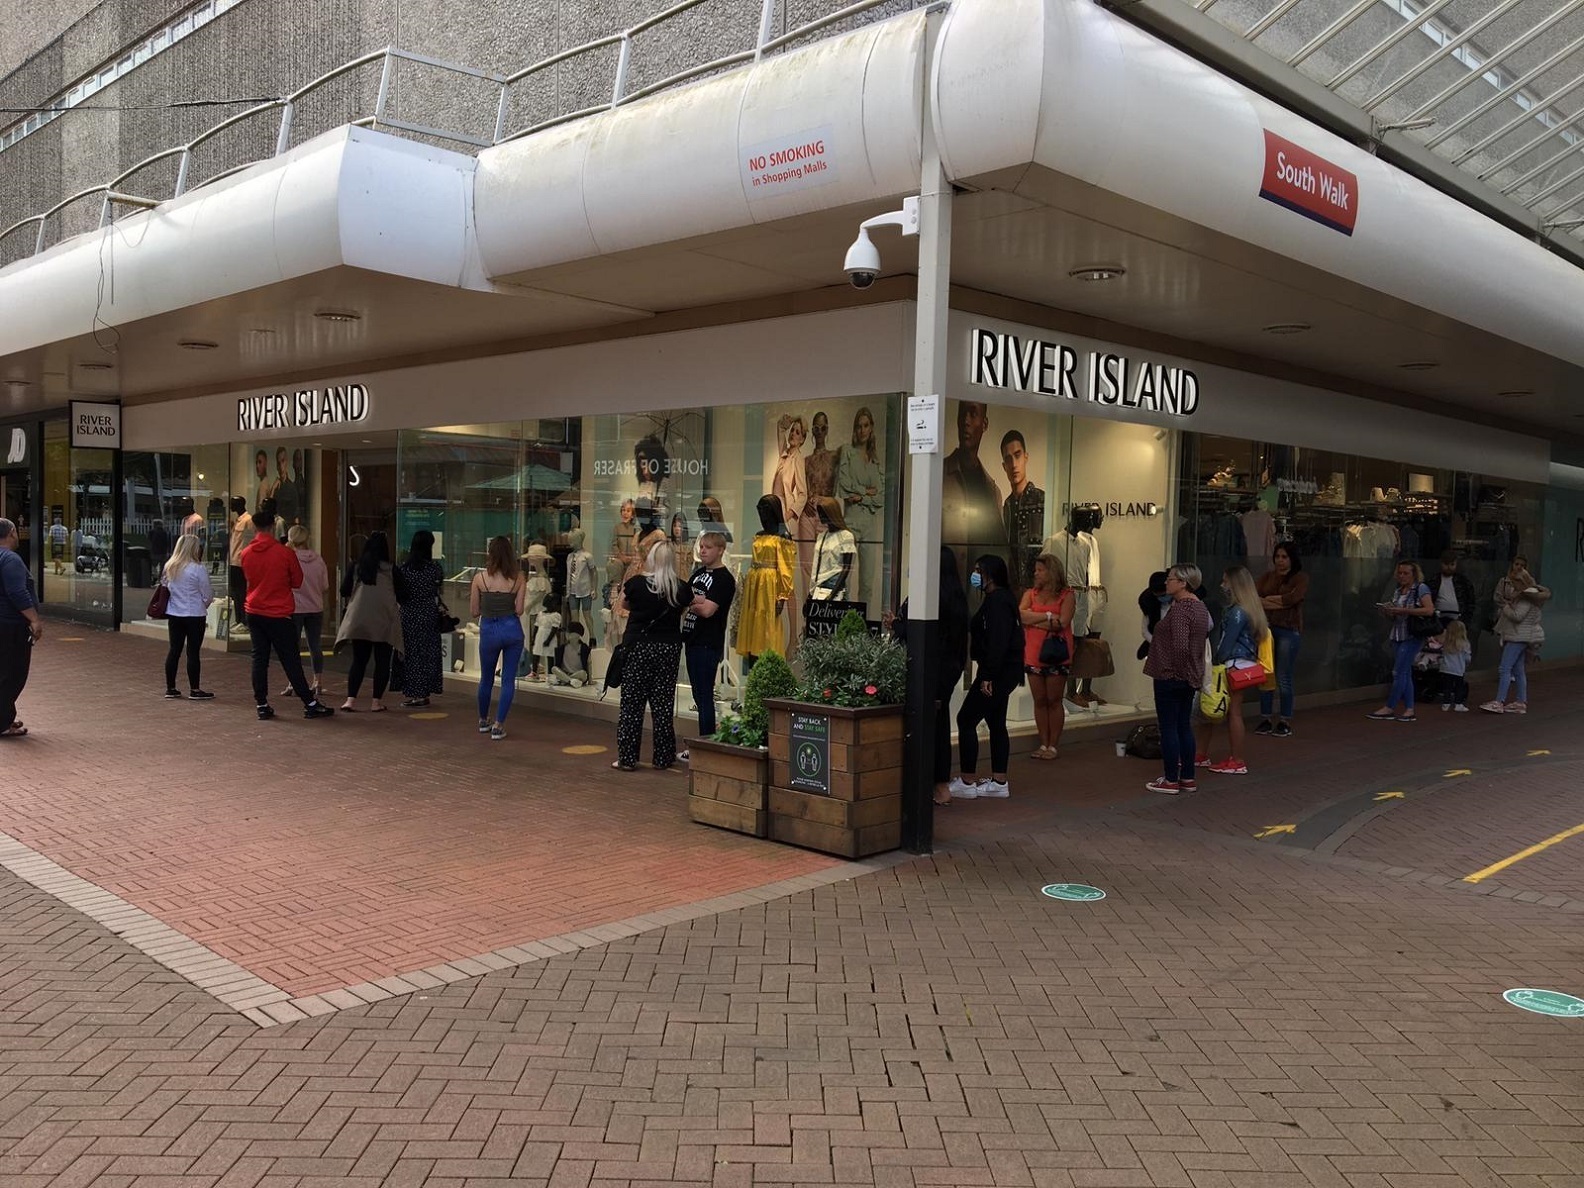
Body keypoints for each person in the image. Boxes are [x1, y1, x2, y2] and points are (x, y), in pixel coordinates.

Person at [886, 545, 969, 807]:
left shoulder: (929, 597)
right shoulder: (955, 597)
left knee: (924, 725)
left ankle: (925, 783)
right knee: (940, 724)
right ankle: (939, 784)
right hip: (947, 670)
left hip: (926, 670)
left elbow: (918, 635)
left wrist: (897, 625)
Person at [239, 511, 335, 721]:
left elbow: (248, 578)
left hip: (254, 609)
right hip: (279, 611)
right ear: (273, 527)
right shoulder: (284, 554)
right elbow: (297, 581)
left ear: (254, 528)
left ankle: (262, 703)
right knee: (290, 659)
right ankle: (309, 702)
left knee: (259, 658)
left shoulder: (246, 553)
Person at [612, 538, 689, 772]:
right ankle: (663, 757)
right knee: (663, 703)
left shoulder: (636, 584)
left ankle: (627, 757)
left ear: (652, 559)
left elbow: (623, 605)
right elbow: (684, 609)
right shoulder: (680, 587)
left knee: (632, 704)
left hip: (639, 647)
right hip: (668, 648)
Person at [948, 554, 1020, 800]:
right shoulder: (1000, 599)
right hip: (1003, 671)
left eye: (979, 570)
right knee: (996, 722)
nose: (975, 574)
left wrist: (987, 675)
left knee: (966, 718)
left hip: (996, 672)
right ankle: (999, 781)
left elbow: (998, 641)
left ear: (991, 573)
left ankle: (968, 780)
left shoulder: (998, 602)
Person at [1143, 564, 1212, 795]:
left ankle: (1171, 778)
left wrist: (1176, 672)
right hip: (1189, 676)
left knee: (1169, 727)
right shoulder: (1200, 608)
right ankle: (1188, 777)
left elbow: (1181, 646)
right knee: (1183, 726)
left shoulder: (1182, 609)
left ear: (1183, 582)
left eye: (1171, 579)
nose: (1166, 582)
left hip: (1171, 675)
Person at [1198, 565, 1269, 774]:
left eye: (1225, 581)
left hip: (1233, 664)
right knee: (1229, 711)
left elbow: (1227, 642)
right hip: (1245, 663)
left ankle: (1236, 760)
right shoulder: (1251, 610)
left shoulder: (1237, 612)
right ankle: (1216, 755)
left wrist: (1216, 660)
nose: (1222, 585)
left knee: (1226, 710)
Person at [334, 531, 406, 713]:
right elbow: (404, 594)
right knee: (382, 662)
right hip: (384, 619)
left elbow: (344, 590)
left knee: (359, 660)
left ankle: (350, 700)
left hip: (360, 620)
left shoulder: (357, 567)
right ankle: (376, 702)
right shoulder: (391, 569)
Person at [680, 529, 735, 756]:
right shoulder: (697, 573)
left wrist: (694, 602)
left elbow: (708, 611)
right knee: (697, 695)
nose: (702, 551)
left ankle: (705, 747)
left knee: (704, 696)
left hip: (707, 642)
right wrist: (696, 601)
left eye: (708, 547)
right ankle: (705, 742)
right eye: (701, 546)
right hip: (691, 639)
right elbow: (683, 598)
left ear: (720, 550)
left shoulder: (724, 579)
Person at [1019, 552, 1074, 760]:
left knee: (1054, 699)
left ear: (1051, 572)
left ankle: (1053, 745)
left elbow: (1063, 622)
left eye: (1040, 570)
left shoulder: (1066, 595)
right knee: (1039, 699)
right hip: (1033, 653)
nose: (1036, 574)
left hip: (1056, 652)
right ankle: (1043, 743)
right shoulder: (1030, 594)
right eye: (1036, 570)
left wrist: (1034, 620)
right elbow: (1021, 615)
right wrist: (1048, 617)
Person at [471, 535, 527, 739]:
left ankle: (483, 720)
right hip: (512, 629)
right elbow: (519, 610)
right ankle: (499, 724)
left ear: (490, 554)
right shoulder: (519, 578)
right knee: (508, 679)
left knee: (486, 678)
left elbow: (474, 611)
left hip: (489, 630)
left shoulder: (480, 578)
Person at [1252, 542, 1308, 739]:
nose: (1280, 561)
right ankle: (1266, 717)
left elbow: (1294, 599)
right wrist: (1280, 601)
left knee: (1284, 676)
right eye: (1278, 556)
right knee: (1266, 674)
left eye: (1284, 557)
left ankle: (1284, 719)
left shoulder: (1300, 578)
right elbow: (1255, 598)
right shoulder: (1267, 577)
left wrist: (1270, 601)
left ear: (1292, 559)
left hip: (1288, 630)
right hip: (1267, 630)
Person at [1369, 560, 1436, 722]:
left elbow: (1429, 610)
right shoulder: (1398, 591)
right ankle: (1409, 709)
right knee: (1404, 672)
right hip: (1398, 634)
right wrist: (1388, 611)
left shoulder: (1420, 589)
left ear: (1414, 574)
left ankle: (1390, 707)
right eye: (1400, 573)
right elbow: (1395, 616)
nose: (1402, 576)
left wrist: (1404, 610)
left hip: (1412, 635)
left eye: (1406, 573)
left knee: (1398, 672)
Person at [1482, 555, 1549, 715]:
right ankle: (1520, 701)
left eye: (1515, 582)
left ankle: (1499, 701)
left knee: (1505, 668)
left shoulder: (1526, 598)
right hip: (1522, 636)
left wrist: (1506, 607)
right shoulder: (1532, 597)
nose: (1512, 584)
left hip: (1517, 636)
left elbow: (1517, 616)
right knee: (1518, 670)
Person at [734, 495, 797, 665]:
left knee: (768, 623)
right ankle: (754, 659)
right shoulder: (759, 534)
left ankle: (767, 662)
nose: (762, 514)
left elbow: (786, 569)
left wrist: (782, 597)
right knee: (754, 621)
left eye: (765, 510)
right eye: (759, 510)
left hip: (769, 585)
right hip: (754, 583)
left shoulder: (783, 536)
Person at [0, 517, 42, 738]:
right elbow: (17, 592)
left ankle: (6, 715)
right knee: (13, 673)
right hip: (10, 626)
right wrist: (34, 619)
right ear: (12, 533)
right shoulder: (11, 559)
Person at [836, 407, 883, 600]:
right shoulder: (848, 451)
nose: (862, 430)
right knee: (844, 577)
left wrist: (860, 496)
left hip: (870, 525)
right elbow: (844, 487)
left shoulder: (875, 461)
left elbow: (880, 497)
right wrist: (867, 492)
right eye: (859, 426)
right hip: (851, 521)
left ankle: (861, 625)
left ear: (871, 428)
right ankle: (843, 623)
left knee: (867, 582)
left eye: (866, 426)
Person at [160, 533, 214, 700]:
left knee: (174, 650)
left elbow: (165, 587)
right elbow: (207, 594)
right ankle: (195, 689)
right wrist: (204, 603)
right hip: (194, 613)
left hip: (175, 613)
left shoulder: (170, 566)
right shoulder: (198, 569)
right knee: (193, 652)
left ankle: (171, 687)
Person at [397, 529, 445, 707]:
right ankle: (425, 689)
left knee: (411, 653)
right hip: (428, 614)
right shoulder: (434, 569)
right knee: (427, 653)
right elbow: (439, 589)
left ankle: (416, 692)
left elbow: (399, 594)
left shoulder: (404, 569)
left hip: (409, 614)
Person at [286, 526, 329, 700]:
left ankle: (293, 682)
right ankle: (317, 681)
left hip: (295, 608)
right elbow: (325, 586)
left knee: (292, 647)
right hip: (315, 607)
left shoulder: (290, 559)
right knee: (315, 645)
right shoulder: (318, 560)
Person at [1001, 431, 1045, 590]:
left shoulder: (1042, 500)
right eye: (1008, 459)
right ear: (1003, 466)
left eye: (1017, 455)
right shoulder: (1007, 505)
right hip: (1012, 588)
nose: (1013, 464)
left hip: (1038, 590)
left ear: (1026, 457)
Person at [808, 497, 856, 601]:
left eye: (823, 513)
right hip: (818, 584)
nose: (821, 516)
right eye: (819, 513)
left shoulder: (846, 536)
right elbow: (817, 564)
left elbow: (846, 568)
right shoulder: (821, 536)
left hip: (834, 583)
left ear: (831, 513)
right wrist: (810, 593)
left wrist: (833, 594)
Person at [1432, 549, 1476, 631]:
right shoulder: (1433, 581)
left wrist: (1466, 620)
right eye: (1446, 564)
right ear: (1441, 563)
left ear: (1456, 564)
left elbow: (1470, 603)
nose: (1449, 567)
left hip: (1458, 619)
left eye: (1452, 564)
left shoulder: (1464, 582)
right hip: (1438, 620)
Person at [1438, 619, 1472, 712]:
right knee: (1459, 687)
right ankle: (1458, 704)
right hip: (1458, 669)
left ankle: (1446, 703)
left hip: (1446, 668)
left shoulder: (1446, 643)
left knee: (1447, 687)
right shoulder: (1465, 644)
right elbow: (1467, 658)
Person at [227, 496, 252, 618]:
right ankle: (238, 619)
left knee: (241, 592)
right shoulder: (237, 520)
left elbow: (250, 540)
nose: (230, 506)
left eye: (233, 503)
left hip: (241, 562)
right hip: (233, 561)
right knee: (235, 593)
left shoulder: (248, 520)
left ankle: (243, 620)